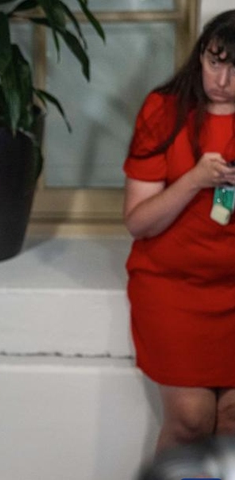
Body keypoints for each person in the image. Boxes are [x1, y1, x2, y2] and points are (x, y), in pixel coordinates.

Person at [124, 9, 235, 454]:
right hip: (172, 288)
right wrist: (194, 180)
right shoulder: (164, 109)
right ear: (200, 55)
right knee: (191, 420)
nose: (222, 80)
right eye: (214, 62)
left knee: (231, 419)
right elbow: (138, 222)